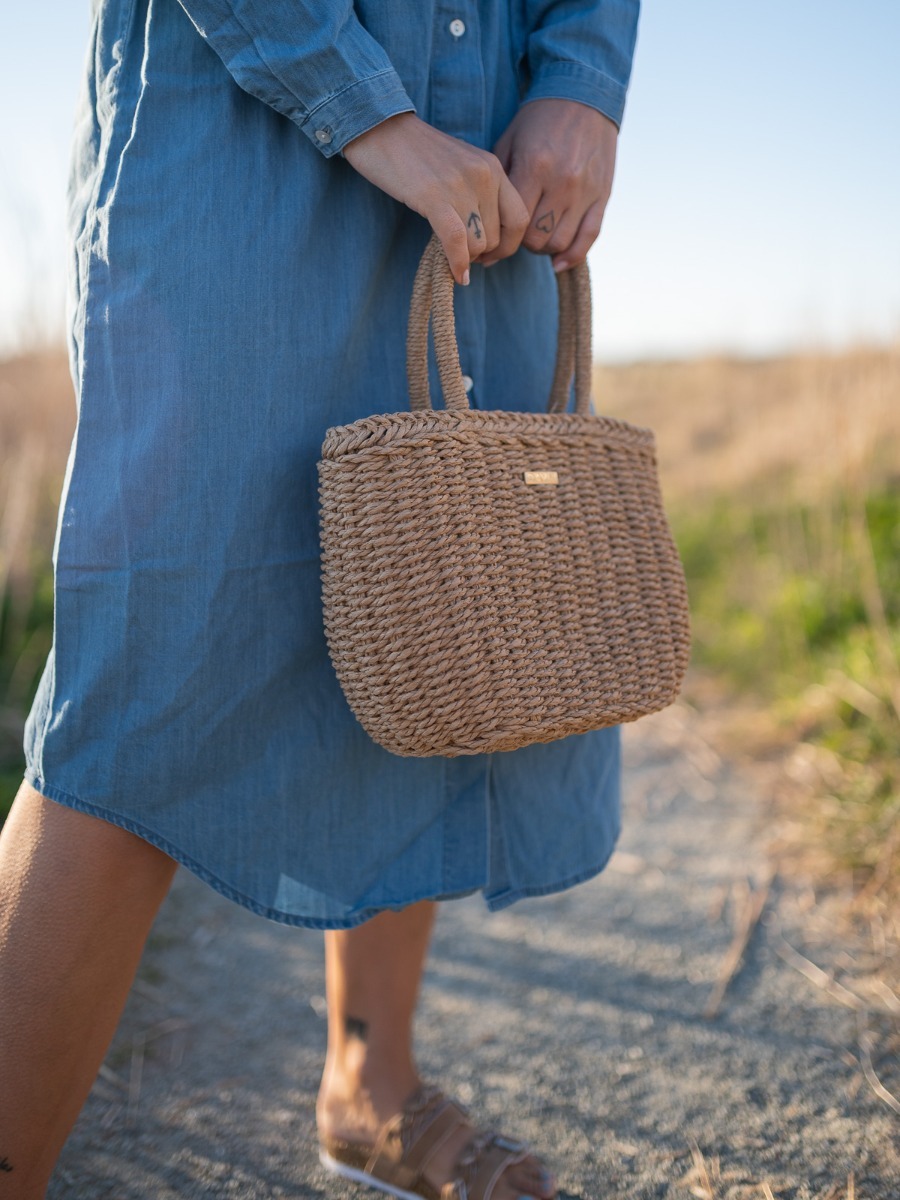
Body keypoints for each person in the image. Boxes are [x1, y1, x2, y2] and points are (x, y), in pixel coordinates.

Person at [0, 1, 640, 1196]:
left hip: (489, 150)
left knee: (434, 623)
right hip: (237, 149)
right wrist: (373, 119)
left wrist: (586, 81)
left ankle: (369, 1084)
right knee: (144, 687)